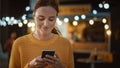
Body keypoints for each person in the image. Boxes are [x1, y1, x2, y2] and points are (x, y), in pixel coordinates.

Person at [9, 0, 74, 68]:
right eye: (41, 18)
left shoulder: (66, 44)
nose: (46, 24)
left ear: (56, 18)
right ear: (34, 16)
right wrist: (30, 66)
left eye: (51, 19)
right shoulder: (19, 43)